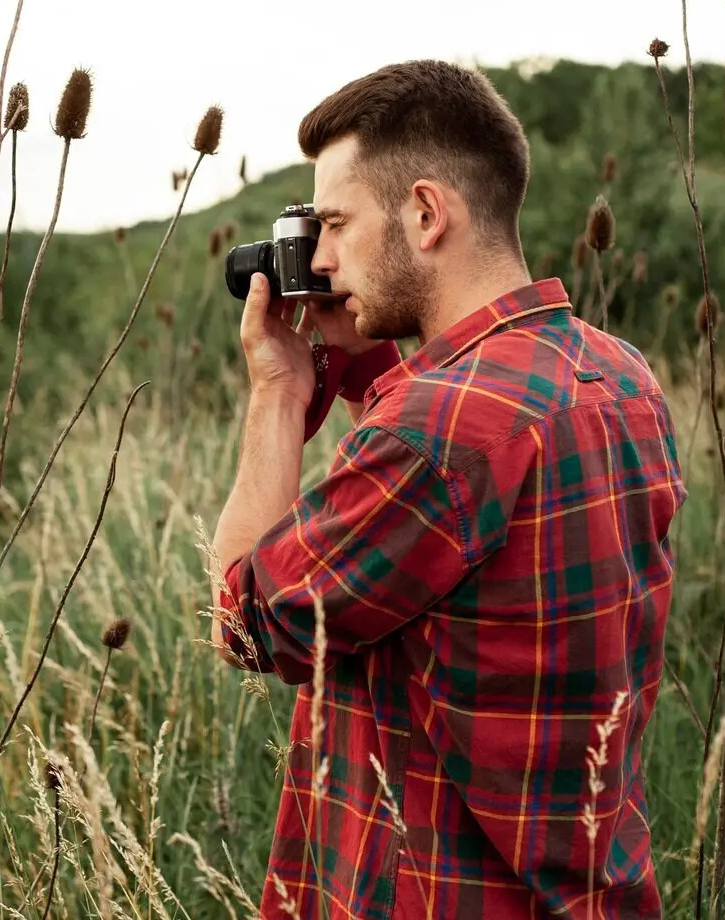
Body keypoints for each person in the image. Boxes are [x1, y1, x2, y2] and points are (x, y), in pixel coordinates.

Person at [207, 59, 685, 919]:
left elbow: (245, 622)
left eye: (336, 223)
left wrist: (278, 392)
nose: (321, 258)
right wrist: (370, 371)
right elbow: (445, 549)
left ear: (426, 213)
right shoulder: (624, 378)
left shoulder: (432, 435)